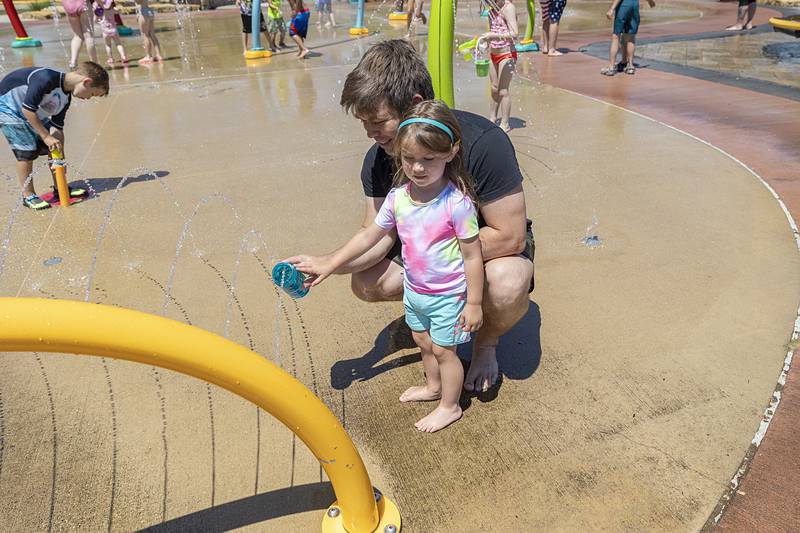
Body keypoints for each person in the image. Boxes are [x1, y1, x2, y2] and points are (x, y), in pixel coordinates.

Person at [288, 40, 534, 393]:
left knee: (507, 282)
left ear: (415, 104)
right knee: (366, 281)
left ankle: (487, 344)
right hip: (428, 253)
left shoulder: (484, 143)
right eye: (363, 123)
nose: (370, 133)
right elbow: (375, 234)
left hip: (485, 252)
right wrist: (326, 265)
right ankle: (434, 310)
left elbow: (510, 236)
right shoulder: (379, 159)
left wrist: (432, 257)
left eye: (378, 121)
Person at [291, 100, 484, 433]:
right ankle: (433, 386)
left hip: (447, 295)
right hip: (415, 289)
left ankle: (450, 406)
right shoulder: (399, 198)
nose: (418, 168)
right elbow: (370, 236)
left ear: (451, 152)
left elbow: (472, 256)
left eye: (428, 159)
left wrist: (475, 303)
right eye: (409, 158)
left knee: (444, 349)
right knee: (422, 341)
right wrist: (330, 263)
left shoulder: (457, 204)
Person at [0, 62, 108, 209]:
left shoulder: (66, 98)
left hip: (28, 111)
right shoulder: (45, 78)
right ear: (87, 82)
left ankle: (60, 188)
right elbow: (28, 110)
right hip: (8, 109)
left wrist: (58, 149)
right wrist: (46, 136)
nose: (89, 98)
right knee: (26, 150)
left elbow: (57, 128)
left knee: (53, 146)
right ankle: (28, 195)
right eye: (92, 94)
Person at [480, 0, 518, 131]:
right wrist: (485, 44)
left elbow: (514, 34)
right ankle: (492, 119)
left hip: (507, 54)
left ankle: (505, 123)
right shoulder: (492, 11)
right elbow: (493, 33)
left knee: (503, 90)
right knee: (494, 88)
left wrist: (493, 35)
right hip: (493, 54)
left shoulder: (509, 8)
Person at [601, 0, 654, 75]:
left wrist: (612, 9)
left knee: (616, 36)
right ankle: (630, 66)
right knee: (630, 36)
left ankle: (611, 67)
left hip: (624, 5)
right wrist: (650, 1)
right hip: (634, 5)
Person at [63, 0, 98, 69]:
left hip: (68, 5)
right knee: (88, 36)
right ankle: (94, 64)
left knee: (77, 36)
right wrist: (101, 5)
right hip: (83, 4)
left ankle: (73, 63)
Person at [93, 0, 129, 66]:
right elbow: (119, 11)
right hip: (114, 30)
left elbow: (95, 21)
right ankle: (123, 57)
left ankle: (110, 58)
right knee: (118, 44)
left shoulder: (100, 12)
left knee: (108, 45)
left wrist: (98, 20)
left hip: (105, 32)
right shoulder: (113, 10)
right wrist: (120, 7)